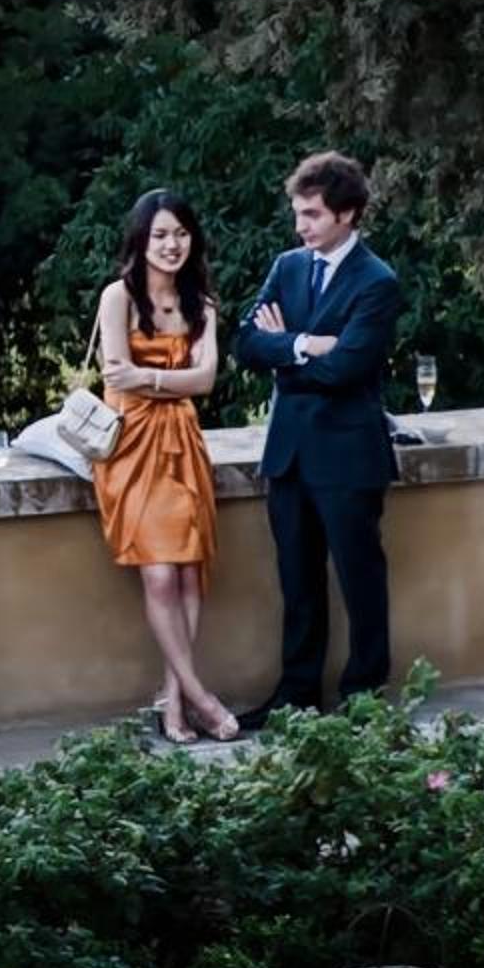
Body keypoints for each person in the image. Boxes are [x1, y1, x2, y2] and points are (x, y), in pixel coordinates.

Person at [233, 150, 403, 717]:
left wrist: (285, 354)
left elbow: (347, 368)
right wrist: (306, 344)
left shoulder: (377, 282)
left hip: (349, 456)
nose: (300, 226)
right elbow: (246, 345)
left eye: (312, 214)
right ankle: (297, 698)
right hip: (289, 455)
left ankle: (363, 700)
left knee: (360, 580)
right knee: (298, 584)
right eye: (297, 213)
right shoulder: (287, 267)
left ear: (346, 213)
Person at [91, 192, 240, 744]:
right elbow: (116, 375)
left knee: (188, 572)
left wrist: (149, 379)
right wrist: (170, 382)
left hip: (182, 445)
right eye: (159, 235)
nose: (171, 245)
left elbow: (205, 380)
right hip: (131, 448)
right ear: (141, 239)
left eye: (180, 234)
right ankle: (201, 697)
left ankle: (173, 699)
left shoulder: (201, 305)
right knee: (158, 573)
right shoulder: (118, 297)